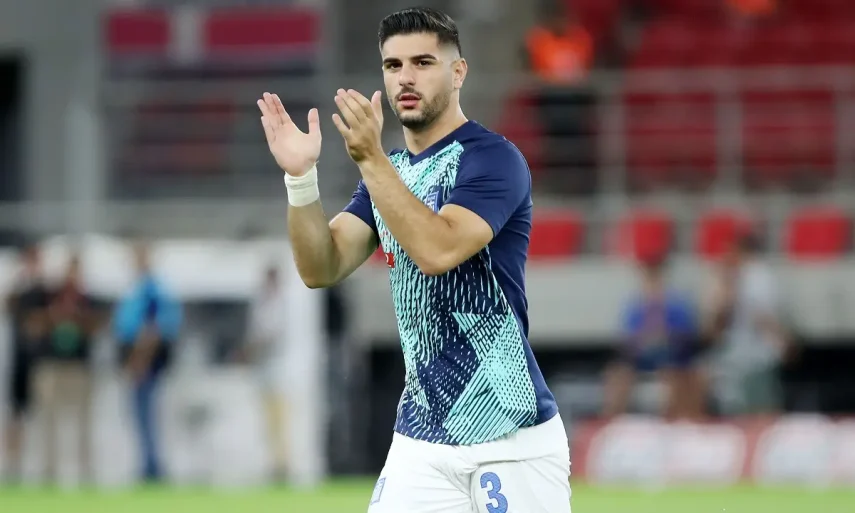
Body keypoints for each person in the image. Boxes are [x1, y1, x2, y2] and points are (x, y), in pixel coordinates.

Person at [257, 7, 569, 513]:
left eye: (423, 62)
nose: (405, 77)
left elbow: (437, 250)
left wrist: (371, 160)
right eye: (393, 65)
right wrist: (301, 180)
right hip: (420, 439)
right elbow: (321, 267)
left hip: (507, 434)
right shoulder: (390, 173)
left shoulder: (493, 159)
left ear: (458, 72)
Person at [602, 258, 703, 420]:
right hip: (641, 360)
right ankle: (612, 420)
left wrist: (666, 338)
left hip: (672, 359)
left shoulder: (677, 304)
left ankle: (671, 421)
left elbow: (687, 338)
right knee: (617, 375)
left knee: (673, 376)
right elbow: (627, 341)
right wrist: (643, 341)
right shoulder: (635, 307)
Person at [113, 241, 181, 483]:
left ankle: (152, 466)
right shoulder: (138, 288)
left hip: (145, 361)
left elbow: (152, 328)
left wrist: (140, 360)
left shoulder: (150, 290)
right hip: (139, 358)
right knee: (141, 415)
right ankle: (148, 463)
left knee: (146, 415)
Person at [703, 231, 790, 417]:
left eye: (729, 251)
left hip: (758, 356)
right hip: (733, 356)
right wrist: (725, 288)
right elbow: (715, 326)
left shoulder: (759, 277)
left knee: (761, 409)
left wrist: (781, 340)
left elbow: (763, 316)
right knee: (735, 410)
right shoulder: (728, 277)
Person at [34, 253, 97, 485]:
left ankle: (85, 471)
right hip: (53, 364)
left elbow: (96, 326)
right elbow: (34, 325)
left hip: (78, 366)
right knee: (49, 420)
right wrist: (55, 316)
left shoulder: (87, 299)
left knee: (83, 421)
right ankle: (49, 471)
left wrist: (78, 318)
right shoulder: (50, 297)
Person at [3, 242, 49, 482]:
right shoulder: (18, 292)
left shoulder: (45, 293)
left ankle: (43, 466)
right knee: (15, 415)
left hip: (40, 364)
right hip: (18, 361)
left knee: (42, 416)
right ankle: (13, 464)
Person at [239, 264, 289, 482]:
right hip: (265, 370)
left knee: (278, 420)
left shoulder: (279, 304)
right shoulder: (263, 303)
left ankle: (282, 464)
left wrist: (250, 348)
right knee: (269, 421)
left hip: (278, 371)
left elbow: (269, 334)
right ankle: (274, 463)